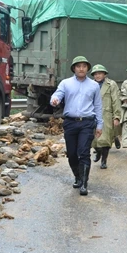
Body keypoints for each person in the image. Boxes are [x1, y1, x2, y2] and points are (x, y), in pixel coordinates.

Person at [50, 56, 103, 196]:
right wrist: (54, 100)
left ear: (87, 69)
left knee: (84, 152)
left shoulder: (94, 85)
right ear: (74, 68)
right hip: (70, 122)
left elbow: (97, 106)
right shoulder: (66, 83)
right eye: (78, 66)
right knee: (72, 154)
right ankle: (77, 176)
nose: (81, 68)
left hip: (87, 122)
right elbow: (58, 94)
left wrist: (100, 125)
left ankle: (84, 183)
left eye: (84, 66)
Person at [90, 64, 121, 169]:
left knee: (106, 140)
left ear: (104, 74)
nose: (98, 76)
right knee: (93, 138)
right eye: (96, 74)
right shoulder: (90, 84)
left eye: (100, 73)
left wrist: (116, 116)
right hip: (93, 114)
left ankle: (104, 160)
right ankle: (98, 152)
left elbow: (116, 100)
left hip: (106, 115)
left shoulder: (111, 84)